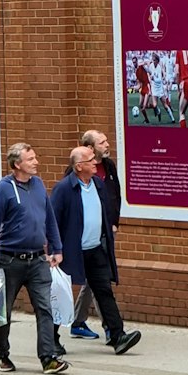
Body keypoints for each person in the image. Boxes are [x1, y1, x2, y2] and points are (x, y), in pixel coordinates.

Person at [0, 142, 69, 374]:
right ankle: (2, 355)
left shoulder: (39, 185)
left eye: (35, 157)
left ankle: (48, 358)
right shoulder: (4, 188)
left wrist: (56, 248)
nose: (36, 162)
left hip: (38, 260)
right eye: (30, 159)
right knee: (4, 311)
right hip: (10, 261)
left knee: (45, 308)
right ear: (17, 164)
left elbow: (49, 218)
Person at [50, 146, 140, 357]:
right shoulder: (64, 188)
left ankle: (118, 337)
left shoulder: (98, 184)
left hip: (95, 248)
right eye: (90, 160)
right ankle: (51, 339)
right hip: (71, 251)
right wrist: (54, 249)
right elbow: (52, 220)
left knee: (104, 291)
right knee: (60, 293)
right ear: (79, 166)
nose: (94, 163)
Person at [69, 129, 122, 340]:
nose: (107, 145)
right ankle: (110, 328)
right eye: (102, 142)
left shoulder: (108, 167)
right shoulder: (73, 175)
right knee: (100, 280)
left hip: (106, 232)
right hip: (85, 238)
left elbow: (115, 195)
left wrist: (114, 223)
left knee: (97, 279)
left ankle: (78, 322)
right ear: (90, 148)